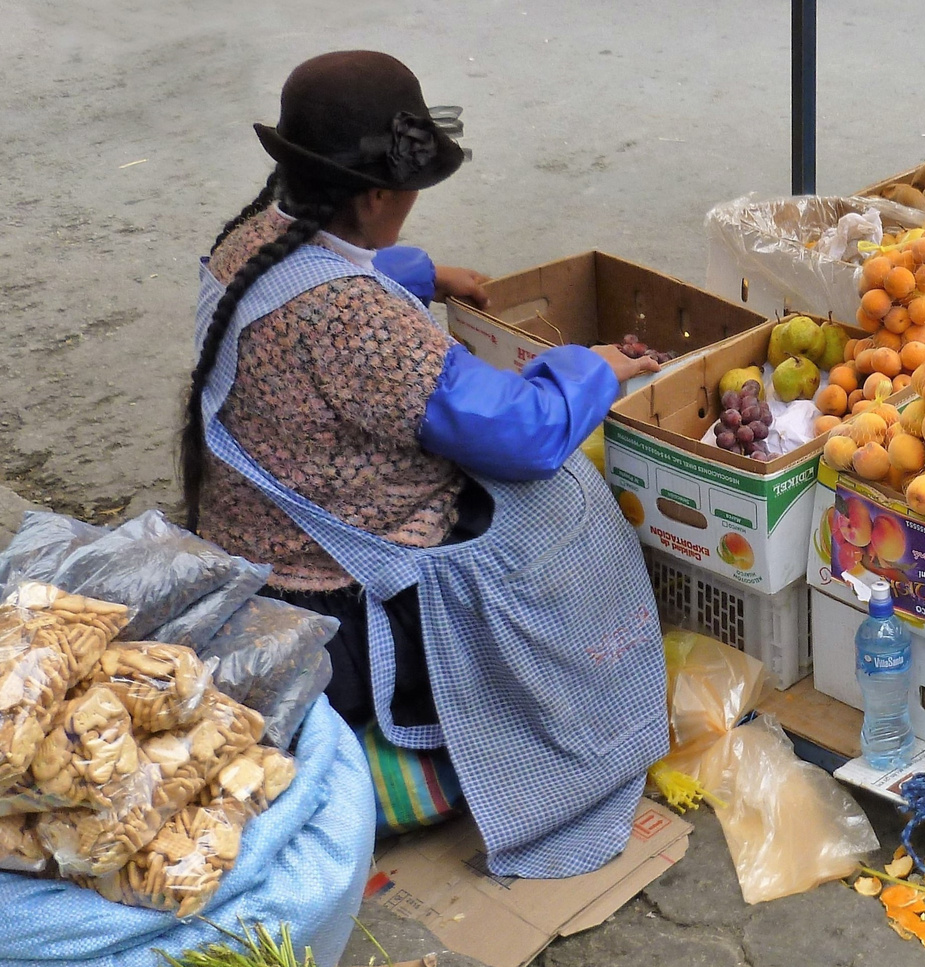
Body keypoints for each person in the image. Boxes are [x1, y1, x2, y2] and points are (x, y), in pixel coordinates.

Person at [187, 51, 671, 877]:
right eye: (408, 194)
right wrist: (595, 368)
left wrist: (420, 273)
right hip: (341, 605)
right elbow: (523, 433)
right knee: (566, 504)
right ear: (376, 195)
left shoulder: (250, 243)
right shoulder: (360, 326)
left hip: (247, 546)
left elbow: (329, 276)